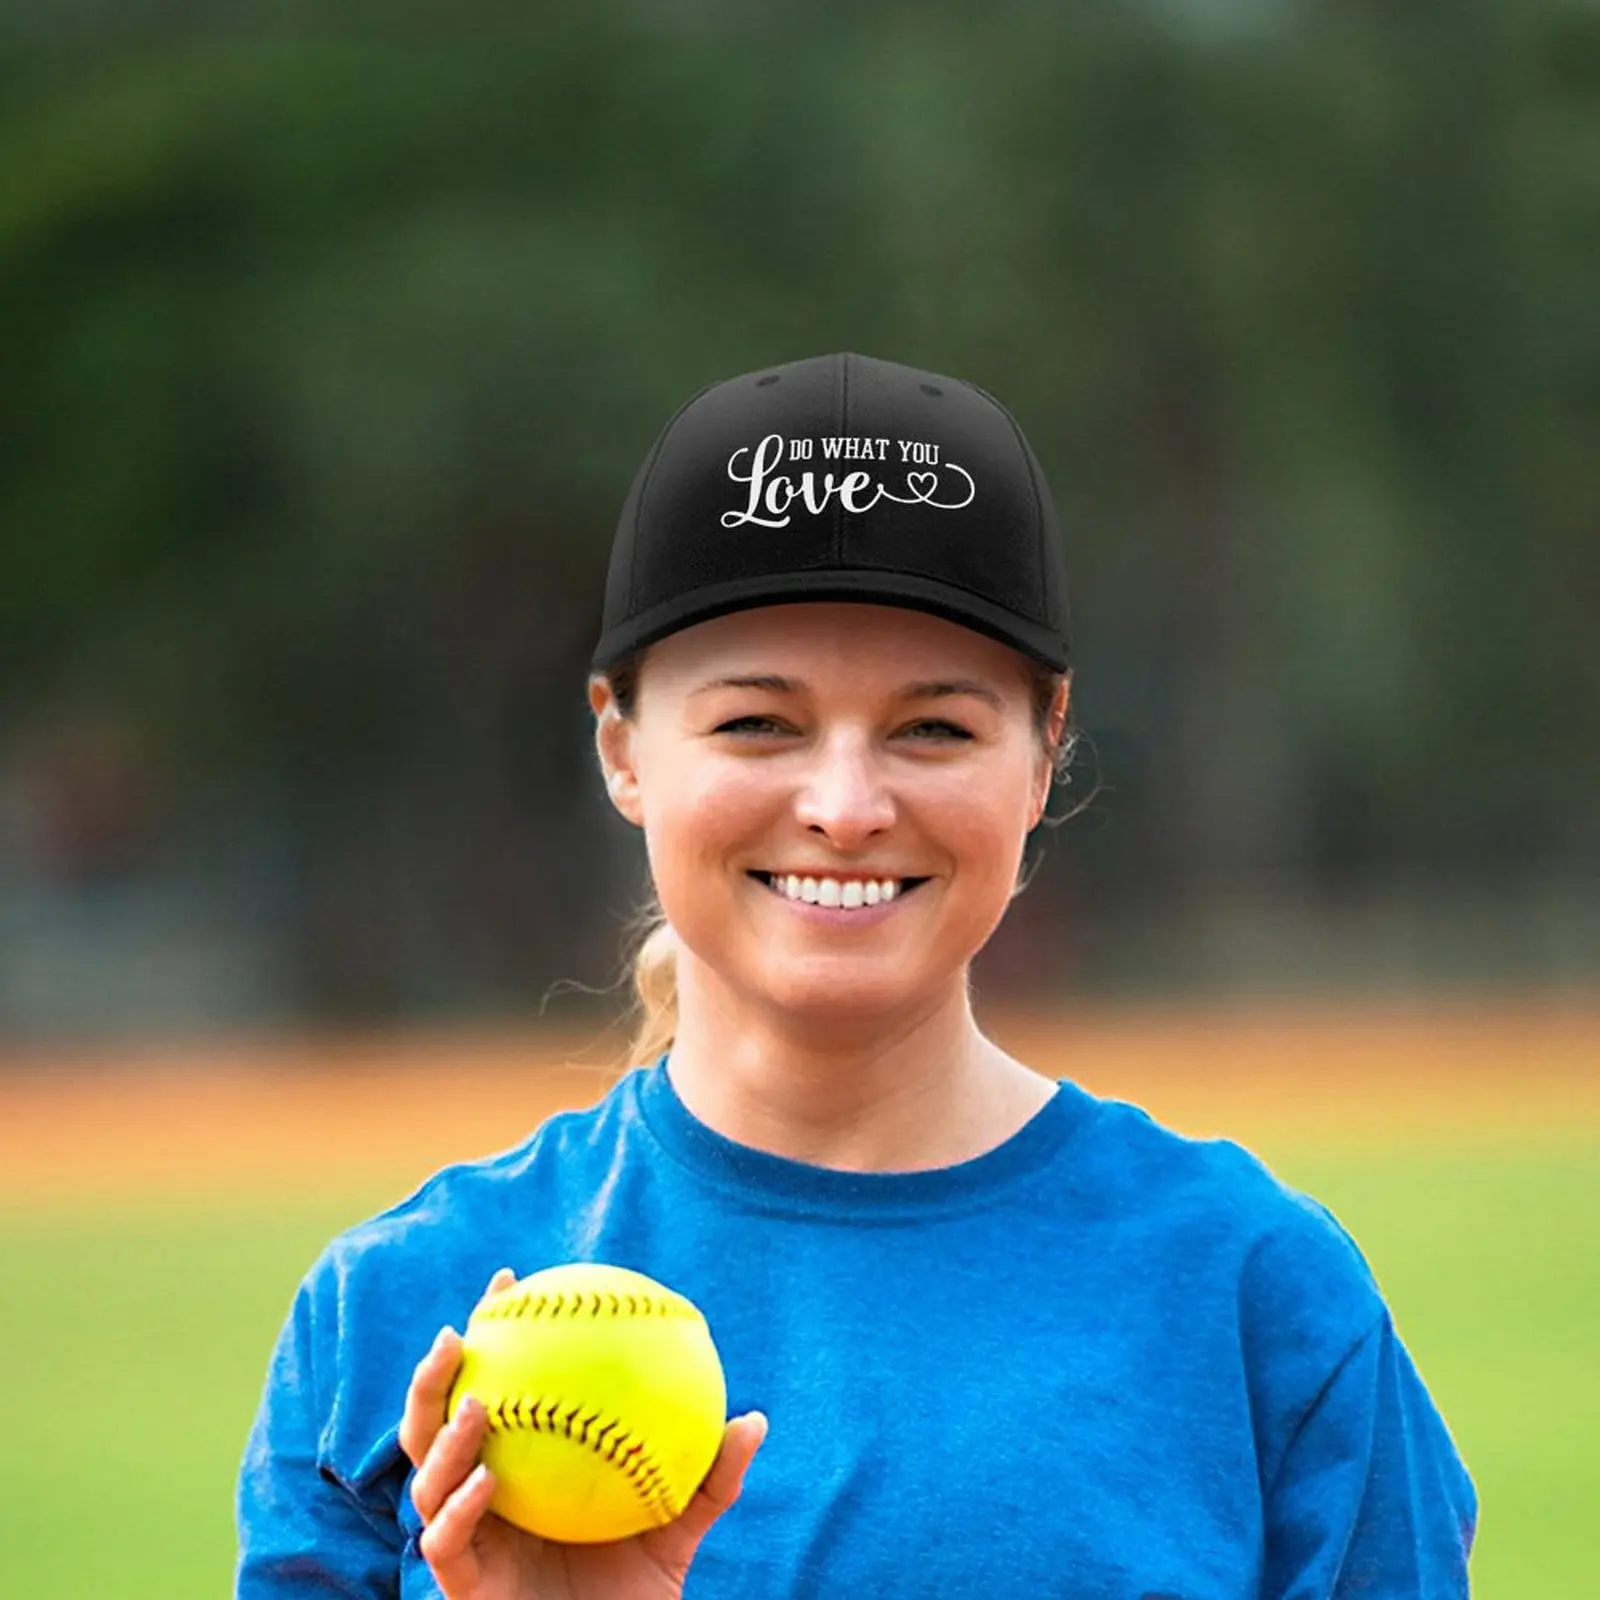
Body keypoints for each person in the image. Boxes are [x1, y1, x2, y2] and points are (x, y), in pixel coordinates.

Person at [236, 352, 1478, 1599]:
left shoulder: (1253, 1295)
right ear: (621, 747)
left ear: (1043, 757)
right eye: (756, 723)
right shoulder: (399, 1321)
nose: (843, 806)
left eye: (933, 726)